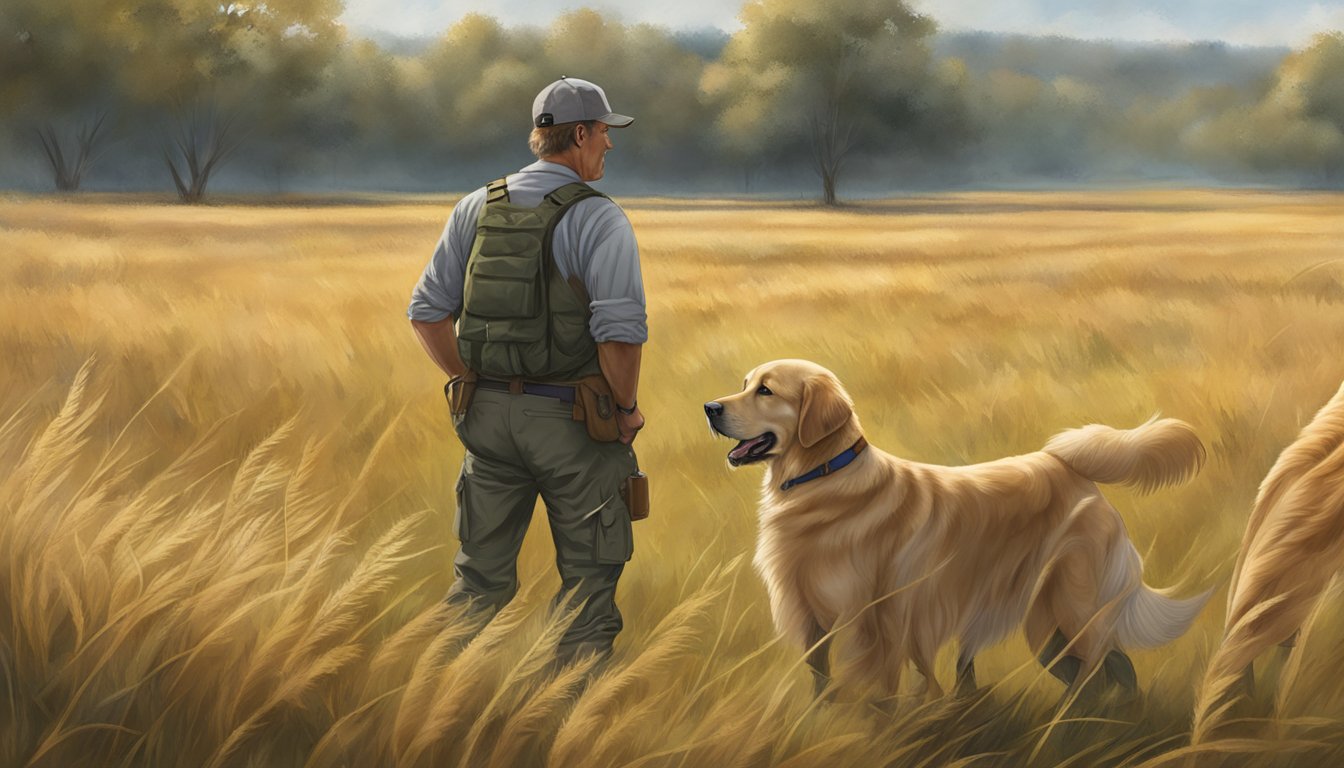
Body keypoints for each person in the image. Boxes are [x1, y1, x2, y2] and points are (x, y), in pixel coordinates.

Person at [408, 77, 646, 664]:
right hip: (572, 423)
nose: (609, 148)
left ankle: (432, 706)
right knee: (589, 588)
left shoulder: (475, 205)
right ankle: (568, 728)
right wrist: (625, 410)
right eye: (604, 135)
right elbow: (617, 337)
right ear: (581, 135)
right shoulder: (600, 219)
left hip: (485, 419)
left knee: (477, 582)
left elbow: (427, 312)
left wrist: (470, 379)